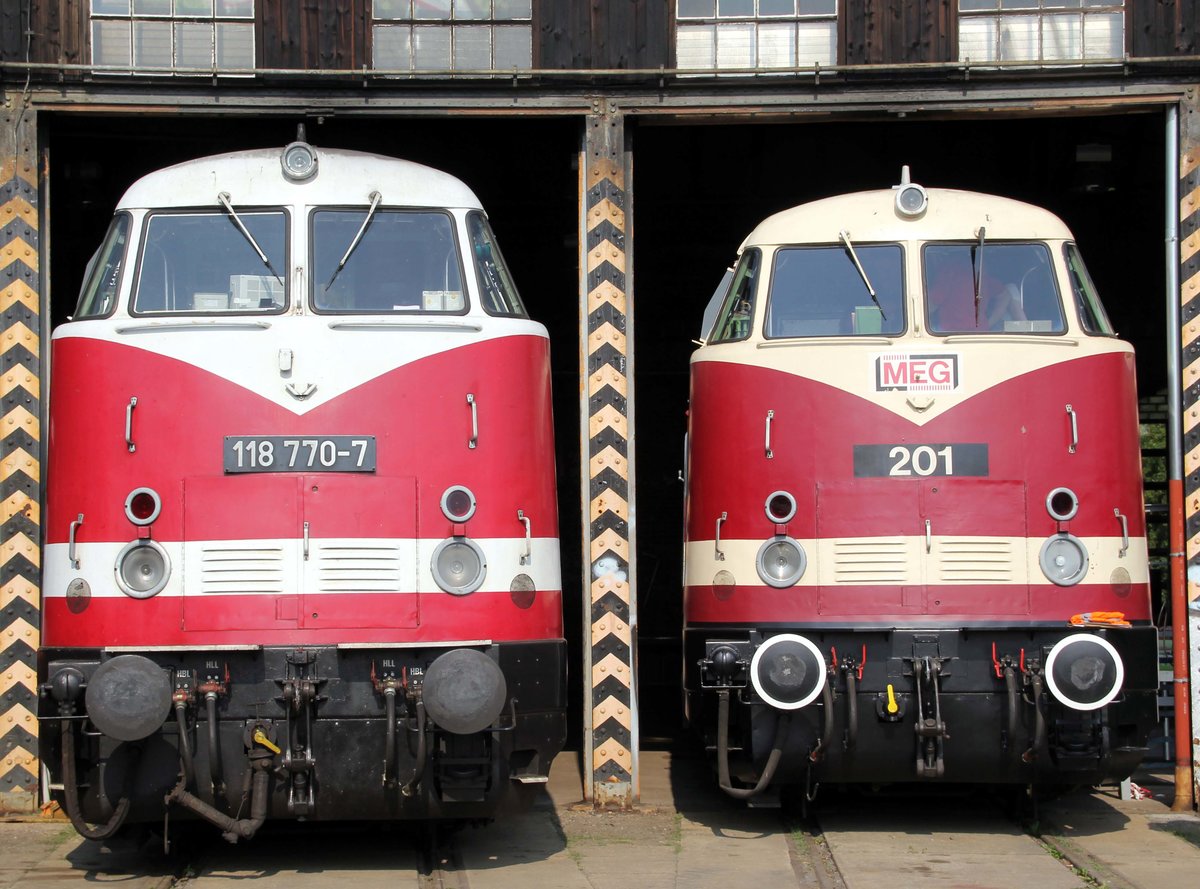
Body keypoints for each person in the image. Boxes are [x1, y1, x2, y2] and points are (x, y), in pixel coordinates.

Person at [926, 260, 1025, 332]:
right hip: (981, 331)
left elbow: (932, 305)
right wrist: (991, 321)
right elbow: (1005, 294)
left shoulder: (948, 272)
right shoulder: (979, 274)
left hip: (950, 331)